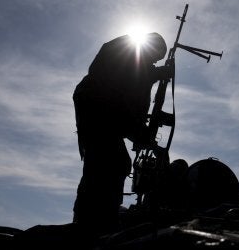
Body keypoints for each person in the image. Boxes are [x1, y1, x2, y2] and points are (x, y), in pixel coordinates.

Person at [71, 32, 172, 235]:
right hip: (98, 111)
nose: (154, 62)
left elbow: (129, 99)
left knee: (107, 163)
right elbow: (126, 92)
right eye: (155, 56)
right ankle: (95, 225)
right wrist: (160, 73)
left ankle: (92, 222)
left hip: (99, 113)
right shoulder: (128, 52)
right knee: (110, 164)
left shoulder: (133, 61)